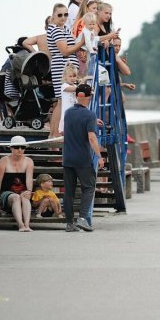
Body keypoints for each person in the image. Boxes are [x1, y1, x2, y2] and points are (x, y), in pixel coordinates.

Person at [62, 83, 104, 232]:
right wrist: (99, 156)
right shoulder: (89, 115)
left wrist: (93, 121)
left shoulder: (68, 113)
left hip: (67, 158)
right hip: (82, 159)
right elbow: (92, 138)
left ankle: (69, 223)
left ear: (76, 95)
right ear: (89, 97)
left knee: (69, 192)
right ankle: (82, 218)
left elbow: (76, 123)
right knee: (89, 187)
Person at [47, 3, 86, 138]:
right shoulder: (56, 30)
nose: (63, 17)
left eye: (65, 14)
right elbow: (64, 51)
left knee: (60, 101)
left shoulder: (62, 29)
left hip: (65, 65)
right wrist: (81, 44)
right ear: (53, 15)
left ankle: (54, 134)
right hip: (62, 66)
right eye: (59, 15)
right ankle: (54, 134)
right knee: (61, 101)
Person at [0, 136, 34, 231]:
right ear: (11, 148)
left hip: (22, 191)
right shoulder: (4, 160)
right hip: (6, 193)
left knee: (24, 196)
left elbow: (29, 179)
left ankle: (27, 225)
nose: (20, 150)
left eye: (23, 147)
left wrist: (29, 191)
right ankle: (21, 225)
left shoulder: (29, 161)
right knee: (16, 197)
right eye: (17, 147)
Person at [58, 64, 80, 135]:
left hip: (74, 113)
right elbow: (77, 89)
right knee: (66, 133)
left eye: (74, 76)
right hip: (67, 115)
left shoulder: (75, 86)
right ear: (65, 77)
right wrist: (84, 81)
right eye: (70, 76)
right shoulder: (64, 86)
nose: (72, 78)